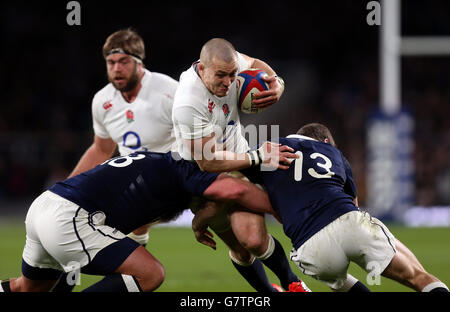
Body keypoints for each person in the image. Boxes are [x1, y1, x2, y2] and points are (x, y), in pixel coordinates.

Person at [205, 122, 448, 292]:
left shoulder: (273, 147)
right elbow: (353, 203)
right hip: (346, 222)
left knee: (339, 283)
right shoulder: (335, 154)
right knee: (417, 276)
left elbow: (233, 171)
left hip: (309, 246)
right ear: (324, 141)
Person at [0, 151, 275, 292]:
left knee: (28, 288)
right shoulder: (188, 170)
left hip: (44, 205)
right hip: (69, 218)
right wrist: (281, 210)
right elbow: (235, 190)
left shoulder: (158, 160)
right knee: (150, 273)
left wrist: (200, 220)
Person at [172, 38, 309, 292]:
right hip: (202, 175)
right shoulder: (188, 102)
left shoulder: (230, 62)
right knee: (240, 251)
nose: (228, 82)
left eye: (233, 74)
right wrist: (259, 156)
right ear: (202, 69)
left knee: (254, 239)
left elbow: (256, 63)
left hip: (239, 161)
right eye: (221, 76)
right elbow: (208, 160)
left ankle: (294, 283)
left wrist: (277, 83)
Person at [52, 28, 179, 292]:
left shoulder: (170, 92)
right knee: (76, 224)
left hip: (169, 181)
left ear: (139, 62)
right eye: (111, 63)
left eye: (123, 61)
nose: (116, 69)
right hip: (130, 183)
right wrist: (66, 189)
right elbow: (101, 149)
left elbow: (192, 140)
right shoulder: (102, 100)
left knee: (89, 228)